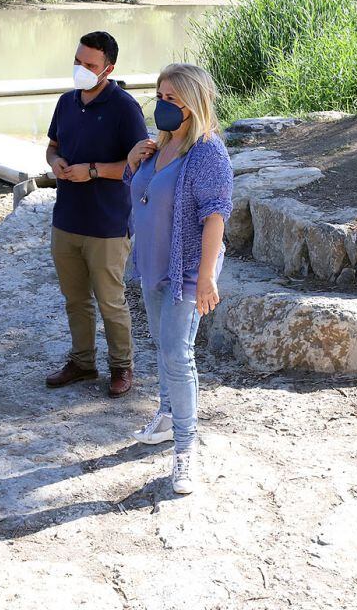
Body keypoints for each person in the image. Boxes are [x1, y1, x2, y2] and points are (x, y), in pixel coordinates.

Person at [124, 63, 233, 494]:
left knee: (177, 352)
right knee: (162, 344)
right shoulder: (157, 146)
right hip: (152, 263)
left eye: (172, 99)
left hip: (187, 268)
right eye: (160, 96)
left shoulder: (207, 152)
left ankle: (186, 450)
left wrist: (206, 277)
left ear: (194, 103)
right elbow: (144, 199)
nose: (162, 105)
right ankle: (168, 417)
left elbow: (215, 216)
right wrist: (133, 165)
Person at [45, 32, 149, 398]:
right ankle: (82, 362)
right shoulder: (66, 102)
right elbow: (52, 146)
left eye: (89, 65)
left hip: (108, 222)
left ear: (109, 68)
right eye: (78, 61)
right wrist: (56, 162)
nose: (81, 69)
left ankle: (122, 367)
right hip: (66, 218)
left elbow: (138, 163)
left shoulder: (125, 108)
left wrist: (92, 170)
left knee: (110, 300)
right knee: (74, 299)